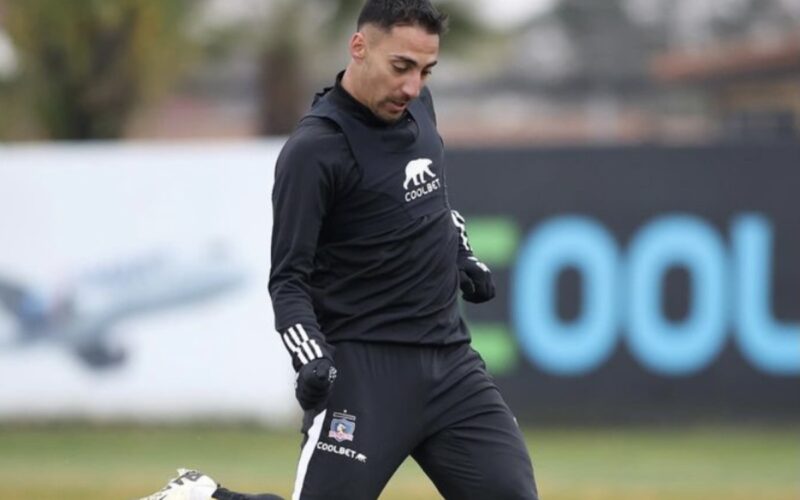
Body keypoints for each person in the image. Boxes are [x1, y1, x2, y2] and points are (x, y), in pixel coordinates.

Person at [140, 1, 538, 499]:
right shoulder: (314, 151)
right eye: (401, 67)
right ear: (359, 47)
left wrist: (463, 255)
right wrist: (309, 357)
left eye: (425, 70)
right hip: (364, 373)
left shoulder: (419, 106)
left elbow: (436, 204)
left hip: (450, 363)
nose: (413, 86)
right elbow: (287, 279)